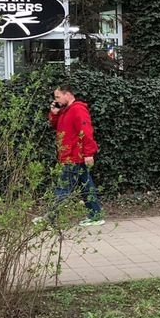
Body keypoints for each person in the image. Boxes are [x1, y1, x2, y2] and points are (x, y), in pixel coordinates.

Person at [48, 84, 105, 227]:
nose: (56, 100)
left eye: (58, 97)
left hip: (73, 156)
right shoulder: (65, 111)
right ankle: (96, 215)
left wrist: (89, 153)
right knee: (86, 186)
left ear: (68, 95)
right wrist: (54, 114)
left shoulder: (77, 109)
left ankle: (51, 219)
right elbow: (57, 127)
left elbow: (86, 130)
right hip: (72, 155)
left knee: (63, 188)